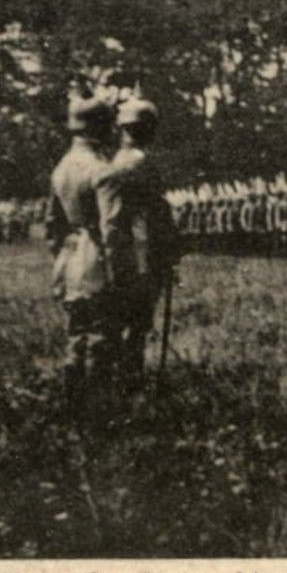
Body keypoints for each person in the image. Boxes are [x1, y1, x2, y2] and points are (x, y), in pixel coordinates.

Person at [94, 98, 180, 389]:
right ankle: (131, 380)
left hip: (118, 254)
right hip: (142, 255)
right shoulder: (143, 163)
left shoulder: (113, 162)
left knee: (118, 322)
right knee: (138, 325)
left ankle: (116, 381)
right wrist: (168, 251)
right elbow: (156, 214)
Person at [45, 94, 119, 417]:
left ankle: (72, 405)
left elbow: (52, 225)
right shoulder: (102, 170)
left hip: (70, 256)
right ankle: (99, 412)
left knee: (77, 334)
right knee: (102, 335)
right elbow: (111, 229)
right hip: (96, 257)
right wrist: (121, 271)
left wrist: (61, 257)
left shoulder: (61, 168)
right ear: (102, 127)